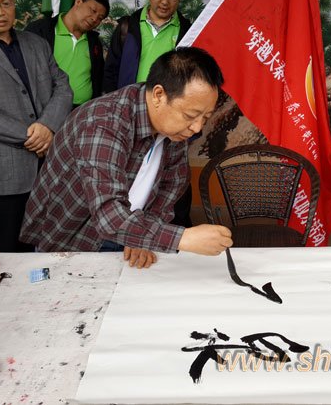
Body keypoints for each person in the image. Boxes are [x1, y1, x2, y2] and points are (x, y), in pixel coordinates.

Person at [20, 47, 233, 268]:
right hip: (73, 240)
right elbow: (108, 214)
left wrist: (145, 234)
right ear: (159, 95)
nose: (197, 127)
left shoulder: (174, 128)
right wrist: (183, 238)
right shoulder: (103, 122)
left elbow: (171, 185)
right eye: (190, 115)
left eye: (205, 117)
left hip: (128, 233)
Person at [0, 0, 72, 252]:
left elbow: (63, 85)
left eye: (6, 3)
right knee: (3, 257)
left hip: (46, 171)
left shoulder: (35, 43)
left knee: (46, 253)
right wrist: (31, 134)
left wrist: (48, 125)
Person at [104, 0, 194, 228]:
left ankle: (175, 230)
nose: (165, 1)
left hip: (172, 116)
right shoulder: (127, 26)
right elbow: (111, 72)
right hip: (132, 114)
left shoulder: (188, 30)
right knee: (129, 171)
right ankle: (128, 229)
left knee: (172, 174)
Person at [25, 0, 109, 107]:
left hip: (83, 110)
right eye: (93, 10)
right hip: (47, 108)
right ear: (78, 2)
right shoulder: (40, 30)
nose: (95, 19)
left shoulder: (94, 42)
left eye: (100, 18)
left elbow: (98, 76)